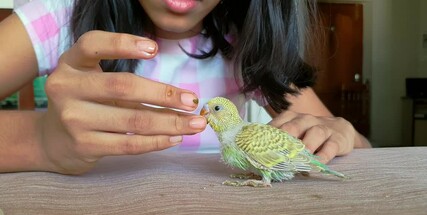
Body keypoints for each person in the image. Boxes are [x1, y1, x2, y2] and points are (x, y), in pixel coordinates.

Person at [0, 0, 371, 174]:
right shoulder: (56, 18)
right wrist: (41, 141)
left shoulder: (248, 45)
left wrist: (339, 133)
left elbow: (357, 149)